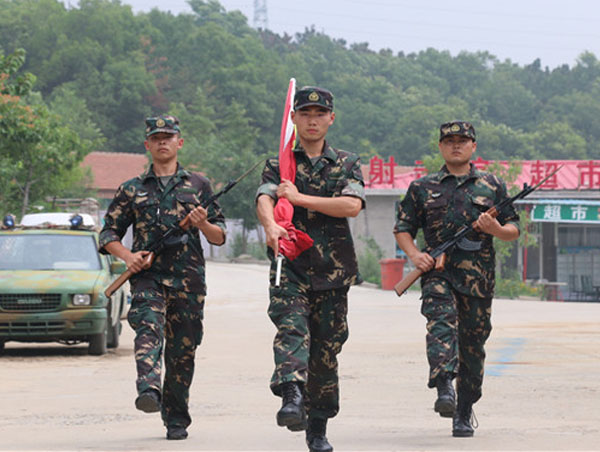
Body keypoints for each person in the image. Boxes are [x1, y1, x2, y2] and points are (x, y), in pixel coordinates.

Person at [99, 114, 226, 440]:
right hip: (148, 277)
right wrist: (128, 256)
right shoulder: (132, 189)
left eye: (168, 136)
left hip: (188, 280)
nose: (163, 142)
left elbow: (219, 236)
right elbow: (108, 233)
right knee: (147, 326)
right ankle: (149, 388)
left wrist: (201, 223)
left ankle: (176, 417)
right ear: (147, 145)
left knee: (182, 352)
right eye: (156, 138)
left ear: (179, 142)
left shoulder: (199, 185)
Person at [255, 86, 365, 452]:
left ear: (331, 119)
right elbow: (265, 198)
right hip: (290, 266)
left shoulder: (346, 163)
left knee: (325, 353)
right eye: (305, 113)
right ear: (295, 118)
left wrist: (300, 199)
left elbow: (351, 206)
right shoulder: (280, 162)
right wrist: (271, 226)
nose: (313, 120)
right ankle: (291, 395)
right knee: (292, 329)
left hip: (332, 271)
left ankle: (317, 427)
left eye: (320, 114)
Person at [394, 120, 520, 437]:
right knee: (440, 320)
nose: (456, 145)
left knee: (473, 346)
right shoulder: (422, 188)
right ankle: (443, 387)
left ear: (473, 146)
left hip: (478, 279)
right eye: (449, 141)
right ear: (440, 146)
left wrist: (494, 229)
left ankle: (463, 410)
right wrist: (414, 255)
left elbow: (513, 230)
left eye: (462, 141)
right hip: (438, 273)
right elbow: (403, 229)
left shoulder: (491, 186)